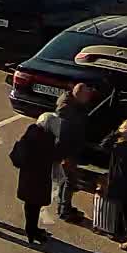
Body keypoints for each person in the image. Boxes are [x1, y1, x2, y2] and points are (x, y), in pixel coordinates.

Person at [10, 112, 60, 245]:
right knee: (34, 206)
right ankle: (31, 232)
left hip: (28, 177)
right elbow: (52, 155)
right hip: (38, 178)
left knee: (31, 205)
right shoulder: (46, 138)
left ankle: (32, 230)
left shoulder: (32, 132)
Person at [53, 90, 88, 222]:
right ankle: (65, 211)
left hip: (67, 152)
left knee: (67, 180)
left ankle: (63, 207)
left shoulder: (70, 106)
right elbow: (63, 138)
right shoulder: (67, 114)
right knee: (69, 181)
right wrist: (65, 157)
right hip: (67, 153)